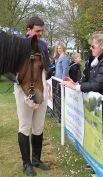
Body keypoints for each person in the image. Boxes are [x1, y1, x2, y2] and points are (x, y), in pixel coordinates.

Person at [61, 32, 103, 177]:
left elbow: (98, 84)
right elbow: (90, 79)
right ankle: (101, 168)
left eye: (92, 46)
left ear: (101, 46)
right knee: (100, 139)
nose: (90, 48)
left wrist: (76, 87)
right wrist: (77, 83)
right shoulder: (98, 59)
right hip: (99, 106)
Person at [14, 16, 51, 176]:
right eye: (37, 31)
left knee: (39, 126)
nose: (40, 34)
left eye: (42, 30)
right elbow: (9, 70)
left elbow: (48, 68)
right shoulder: (17, 46)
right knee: (25, 126)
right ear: (28, 30)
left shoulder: (43, 45)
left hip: (41, 88)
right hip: (23, 90)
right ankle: (26, 164)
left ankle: (36, 159)